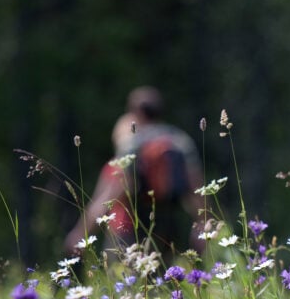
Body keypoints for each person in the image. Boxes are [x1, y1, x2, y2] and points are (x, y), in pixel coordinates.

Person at [65, 86, 204, 256]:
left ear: (135, 111)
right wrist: (202, 224)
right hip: (167, 225)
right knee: (164, 277)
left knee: (125, 278)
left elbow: (111, 192)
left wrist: (82, 232)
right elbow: (196, 188)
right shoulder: (180, 141)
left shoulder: (132, 144)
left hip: (130, 227)